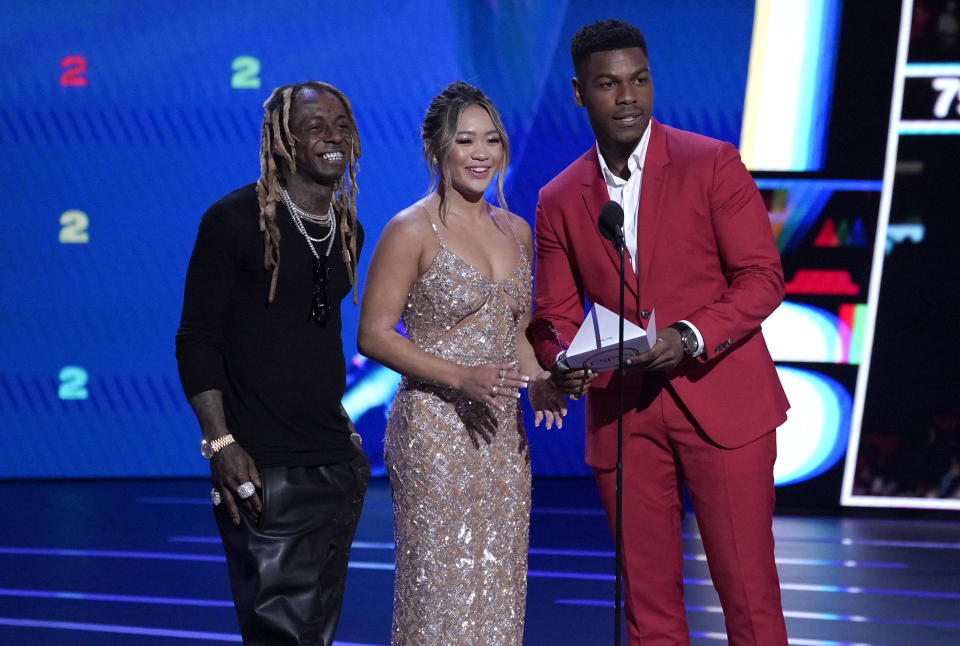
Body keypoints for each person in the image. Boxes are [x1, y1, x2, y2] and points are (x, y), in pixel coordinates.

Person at [529, 19, 790, 646]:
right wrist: (563, 359)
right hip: (624, 417)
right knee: (648, 611)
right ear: (578, 93)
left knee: (747, 595)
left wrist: (689, 335)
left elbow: (761, 276)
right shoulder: (561, 198)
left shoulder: (712, 164)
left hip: (723, 402)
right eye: (610, 84)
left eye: (639, 80)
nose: (628, 97)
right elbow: (553, 314)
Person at [357, 81, 565, 645]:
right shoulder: (409, 229)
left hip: (501, 434)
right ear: (435, 150)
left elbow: (513, 330)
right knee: (439, 592)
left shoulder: (516, 230)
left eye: (492, 140)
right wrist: (460, 377)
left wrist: (541, 381)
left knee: (498, 583)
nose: (481, 153)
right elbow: (374, 335)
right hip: (434, 431)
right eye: (465, 140)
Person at [175, 81, 370, 646]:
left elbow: (316, 342)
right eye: (314, 126)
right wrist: (221, 444)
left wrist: (346, 441)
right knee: (278, 637)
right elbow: (196, 339)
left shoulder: (346, 230)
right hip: (262, 471)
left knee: (316, 634)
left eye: (340, 124)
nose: (332, 136)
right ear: (282, 140)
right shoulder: (233, 221)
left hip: (335, 464)